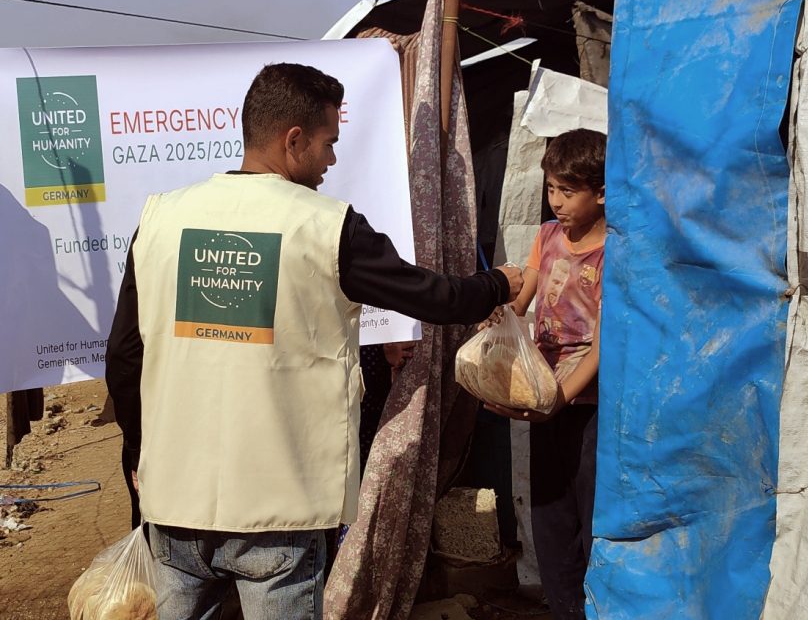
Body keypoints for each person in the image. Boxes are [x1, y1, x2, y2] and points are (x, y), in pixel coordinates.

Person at [104, 62, 522, 620]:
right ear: (293, 139)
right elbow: (437, 298)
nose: (331, 161)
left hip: (174, 501)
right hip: (278, 508)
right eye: (328, 144)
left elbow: (126, 356)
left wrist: (142, 455)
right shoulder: (327, 227)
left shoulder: (160, 218)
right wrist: (499, 283)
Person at [483, 128, 606, 620]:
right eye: (551, 189)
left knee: (591, 512)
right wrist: (499, 313)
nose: (556, 202)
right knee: (550, 515)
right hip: (543, 393)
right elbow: (522, 300)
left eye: (568, 191)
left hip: (589, 400)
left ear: (602, 192)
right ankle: (563, 610)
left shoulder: (614, 252)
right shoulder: (547, 237)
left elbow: (605, 342)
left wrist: (559, 400)